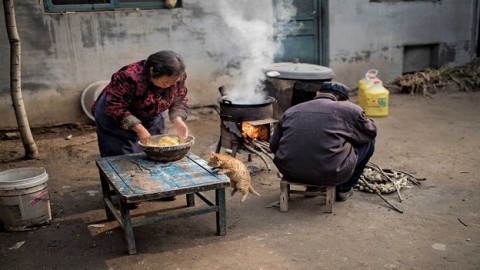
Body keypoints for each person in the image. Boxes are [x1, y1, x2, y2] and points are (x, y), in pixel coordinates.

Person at [91, 50, 189, 202]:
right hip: (116, 116)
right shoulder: (129, 77)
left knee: (157, 152)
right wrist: (138, 128)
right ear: (152, 71)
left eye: (172, 83)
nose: (169, 86)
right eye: (165, 83)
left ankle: (158, 187)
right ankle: (128, 193)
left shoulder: (178, 75)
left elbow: (179, 97)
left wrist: (177, 119)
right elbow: (115, 106)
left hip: (151, 112)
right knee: (124, 157)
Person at [269, 81, 377, 201]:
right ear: (343, 100)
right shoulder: (350, 109)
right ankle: (344, 189)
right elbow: (371, 132)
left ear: (317, 93)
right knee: (368, 143)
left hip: (288, 171)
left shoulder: (292, 110)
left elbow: (274, 145)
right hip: (331, 173)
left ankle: (316, 185)